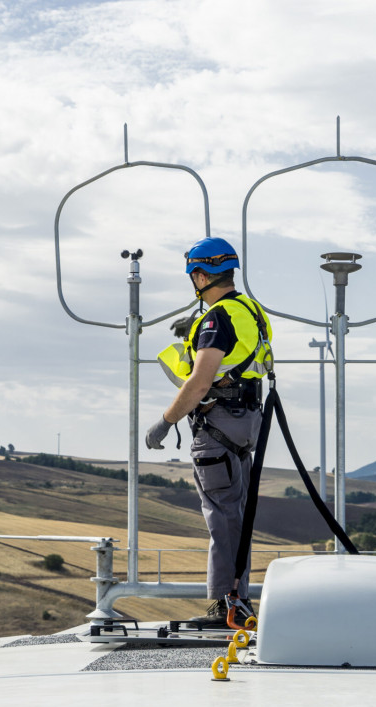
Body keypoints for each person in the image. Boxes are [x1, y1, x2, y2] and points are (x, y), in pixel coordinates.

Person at [145, 236, 273, 627]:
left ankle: (225, 605)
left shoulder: (217, 319)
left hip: (218, 424)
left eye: (194, 275)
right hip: (245, 421)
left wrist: (165, 422)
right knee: (236, 513)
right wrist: (195, 333)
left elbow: (199, 384)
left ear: (200, 276)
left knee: (221, 516)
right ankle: (239, 600)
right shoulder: (250, 310)